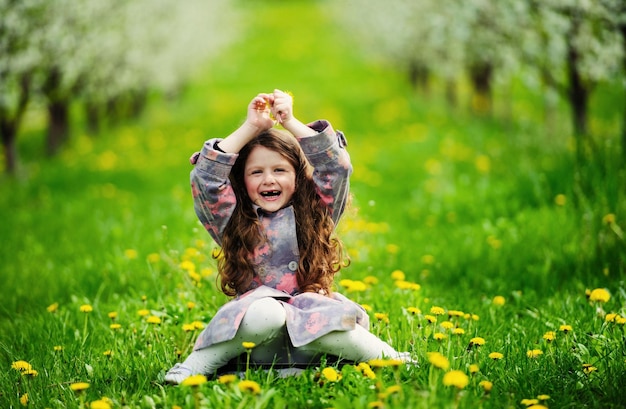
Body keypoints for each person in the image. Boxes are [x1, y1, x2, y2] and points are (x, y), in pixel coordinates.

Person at [165, 89, 411, 384]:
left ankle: (393, 360)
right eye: (256, 172)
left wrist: (291, 122)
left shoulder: (317, 214)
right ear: (242, 181)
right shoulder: (234, 221)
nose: (268, 179)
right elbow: (206, 178)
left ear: (297, 176)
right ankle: (194, 367)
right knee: (268, 313)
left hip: (313, 343)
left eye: (280, 170)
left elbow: (337, 166)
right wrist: (251, 128)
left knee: (332, 322)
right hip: (257, 341)